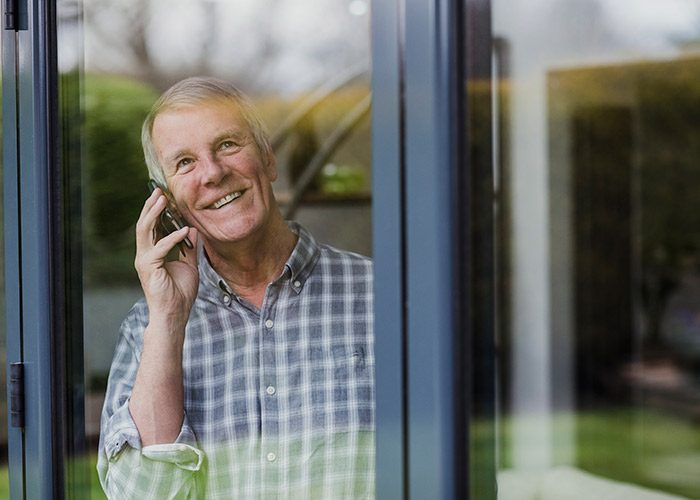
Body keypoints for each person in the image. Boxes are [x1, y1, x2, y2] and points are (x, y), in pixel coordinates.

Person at [97, 77, 374, 498]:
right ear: (166, 201)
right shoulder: (148, 328)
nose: (213, 173)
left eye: (227, 144)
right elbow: (145, 494)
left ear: (268, 159)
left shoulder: (381, 295)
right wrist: (169, 323)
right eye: (185, 162)